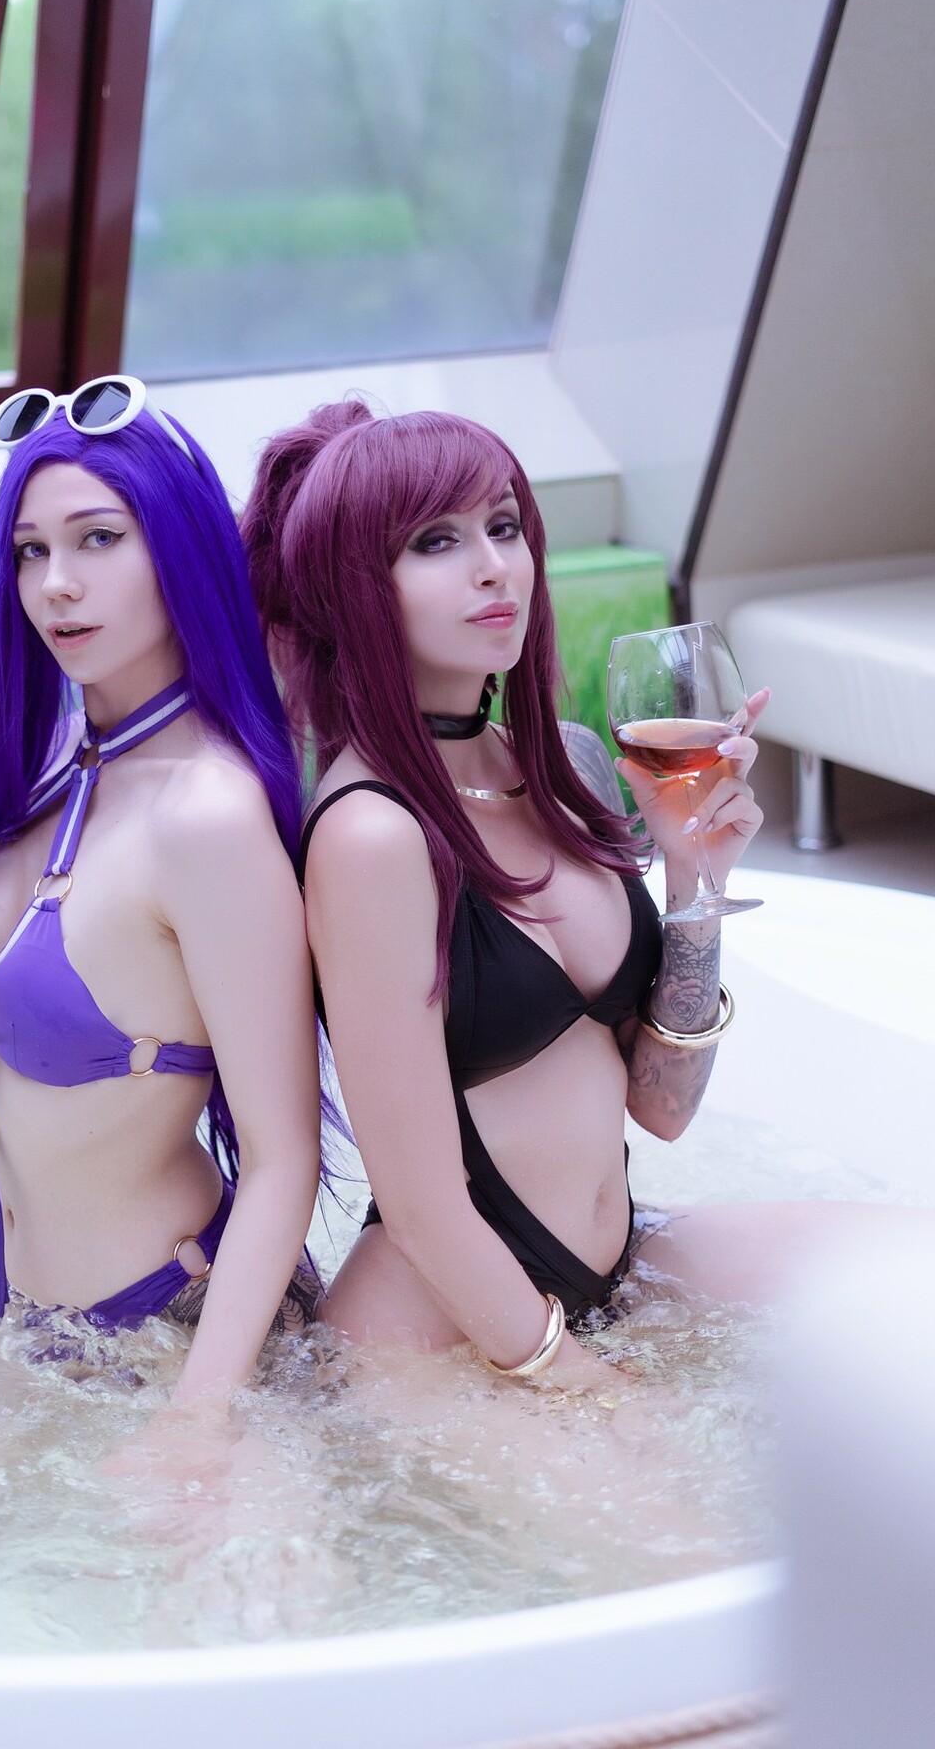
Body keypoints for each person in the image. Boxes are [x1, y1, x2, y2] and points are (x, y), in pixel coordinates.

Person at [241, 398, 844, 1385]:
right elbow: (421, 1207)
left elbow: (660, 1111)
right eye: (435, 542)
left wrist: (693, 879)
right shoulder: (371, 836)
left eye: (504, 526)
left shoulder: (565, 766)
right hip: (438, 1334)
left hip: (611, 1264)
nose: (493, 566)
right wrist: (590, 1391)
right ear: (356, 589)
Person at [0, 381, 322, 1409]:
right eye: (30, 551)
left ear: (178, 548)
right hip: (20, 1316)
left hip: (177, 1336)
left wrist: (200, 1422)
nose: (57, 584)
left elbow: (285, 1159)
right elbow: (15, 1052)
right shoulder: (50, 769)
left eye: (98, 539)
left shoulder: (205, 814)